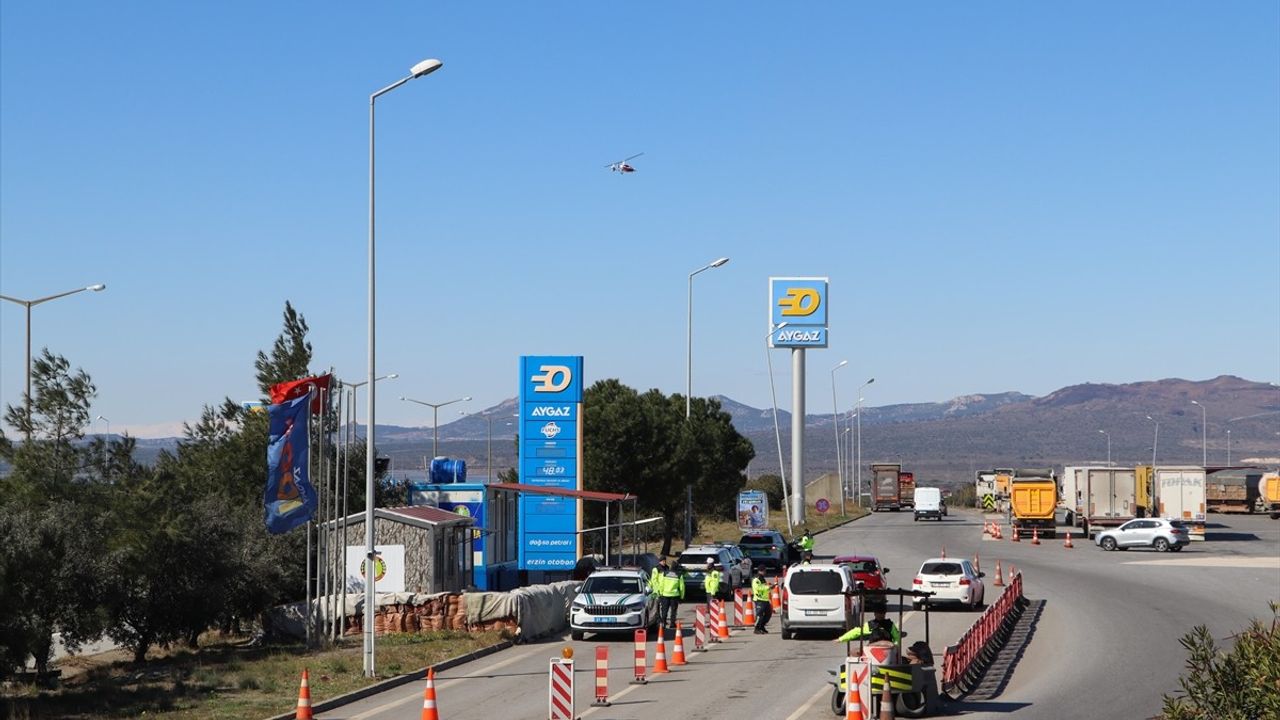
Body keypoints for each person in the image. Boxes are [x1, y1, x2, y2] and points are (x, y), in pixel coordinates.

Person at [833, 600, 900, 644]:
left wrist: (895, 648)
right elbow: (856, 632)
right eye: (878, 613)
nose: (880, 615)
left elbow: (897, 638)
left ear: (885, 614)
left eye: (882, 613)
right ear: (875, 614)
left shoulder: (890, 625)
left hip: (888, 654)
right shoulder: (870, 625)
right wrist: (841, 639)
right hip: (872, 654)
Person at [656, 559, 685, 629]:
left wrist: (661, 592)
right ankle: (672, 624)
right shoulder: (679, 575)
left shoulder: (665, 573)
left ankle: (663, 623)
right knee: (673, 610)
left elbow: (661, 584)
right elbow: (682, 587)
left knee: (664, 610)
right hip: (674, 595)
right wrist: (682, 596)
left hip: (665, 595)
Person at [751, 567, 773, 634]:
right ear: (760, 571)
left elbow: (765, 589)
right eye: (764, 571)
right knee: (759, 615)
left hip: (765, 600)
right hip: (759, 600)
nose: (765, 572)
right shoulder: (756, 579)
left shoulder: (762, 579)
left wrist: (771, 588)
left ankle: (762, 626)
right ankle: (756, 628)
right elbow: (758, 588)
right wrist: (768, 587)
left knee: (768, 614)